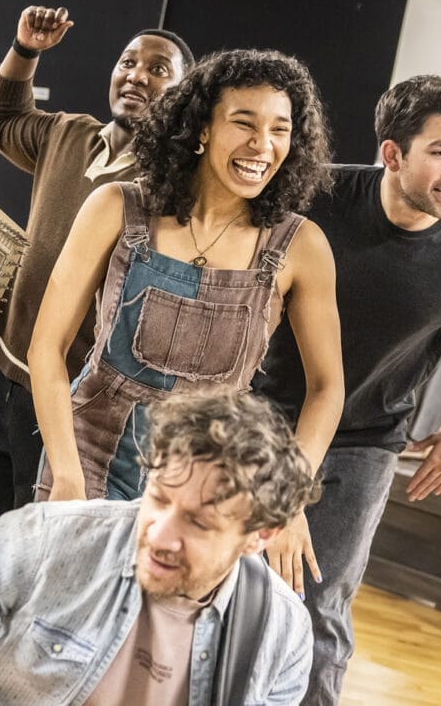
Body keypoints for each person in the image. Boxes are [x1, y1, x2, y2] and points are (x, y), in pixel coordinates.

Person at [252, 74, 441, 706]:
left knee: (317, 605)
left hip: (361, 444)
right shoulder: (316, 190)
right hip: (256, 419)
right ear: (392, 154)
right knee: (216, 581)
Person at [0, 5, 195, 679]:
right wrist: (23, 50)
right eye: (129, 61)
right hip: (5, 378)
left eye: (158, 69)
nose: (137, 75)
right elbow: (0, 118)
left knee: (34, 572)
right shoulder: (70, 135)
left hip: (76, 407)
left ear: (183, 93)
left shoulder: (174, 184)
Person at [0, 387, 320, 705]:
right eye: (160, 499)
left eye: (198, 522)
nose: (161, 534)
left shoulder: (281, 633)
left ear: (262, 535)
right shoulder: (60, 536)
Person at [28, 49, 344, 510]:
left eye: (280, 129)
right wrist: (67, 476)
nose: (263, 145)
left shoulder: (301, 246)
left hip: (209, 479)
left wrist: (288, 496)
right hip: (89, 451)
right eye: (244, 123)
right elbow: (46, 348)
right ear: (201, 127)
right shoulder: (117, 207)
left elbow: (327, 388)